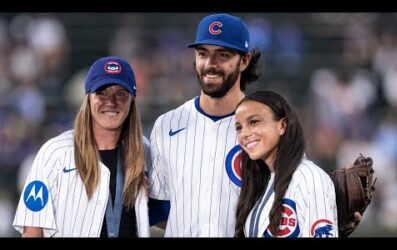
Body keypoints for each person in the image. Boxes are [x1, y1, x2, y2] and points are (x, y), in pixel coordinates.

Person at [147, 13, 262, 237]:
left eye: (223, 55)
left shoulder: (267, 126)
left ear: (245, 61)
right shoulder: (167, 124)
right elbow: (161, 209)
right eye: (203, 54)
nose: (210, 64)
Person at [12, 56, 151, 237]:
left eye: (120, 93)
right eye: (102, 92)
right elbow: (32, 229)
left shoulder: (143, 149)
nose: (111, 101)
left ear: (132, 100)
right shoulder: (55, 153)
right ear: (88, 98)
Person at [234, 90, 338, 238]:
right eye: (239, 127)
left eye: (254, 122)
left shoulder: (308, 177)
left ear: (282, 125)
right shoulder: (260, 184)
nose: (244, 133)